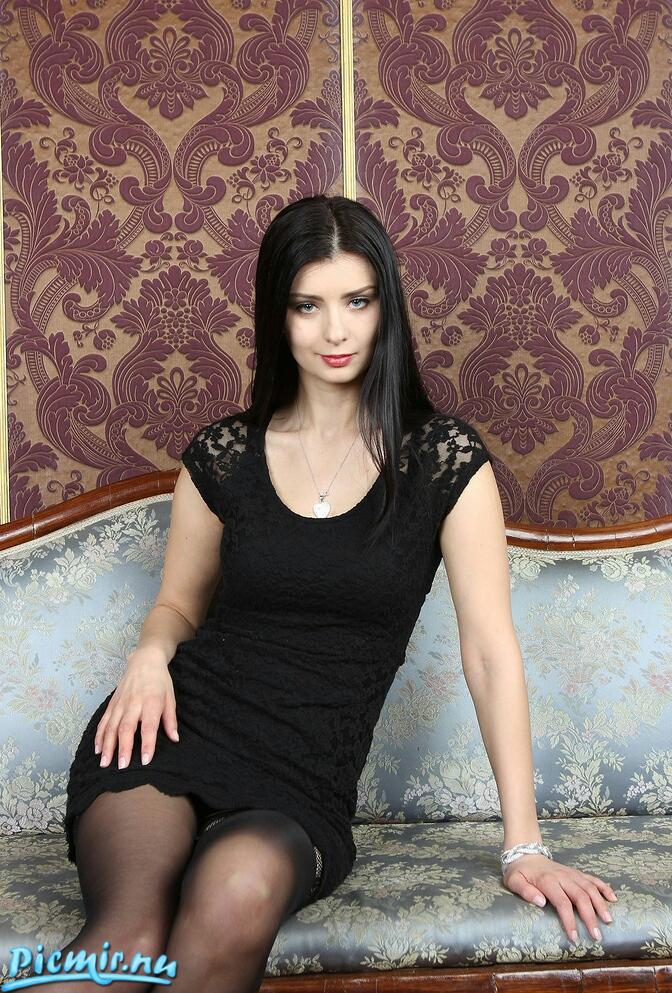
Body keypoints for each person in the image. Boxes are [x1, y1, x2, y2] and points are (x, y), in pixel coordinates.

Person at [56, 195, 617, 993]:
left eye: (357, 300)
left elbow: (491, 655)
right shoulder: (224, 454)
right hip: (173, 730)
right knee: (130, 934)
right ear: (276, 314)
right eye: (307, 306)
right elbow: (178, 605)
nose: (335, 331)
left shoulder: (443, 460)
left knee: (235, 895)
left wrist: (523, 845)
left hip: (300, 779)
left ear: (385, 306)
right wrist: (149, 654)